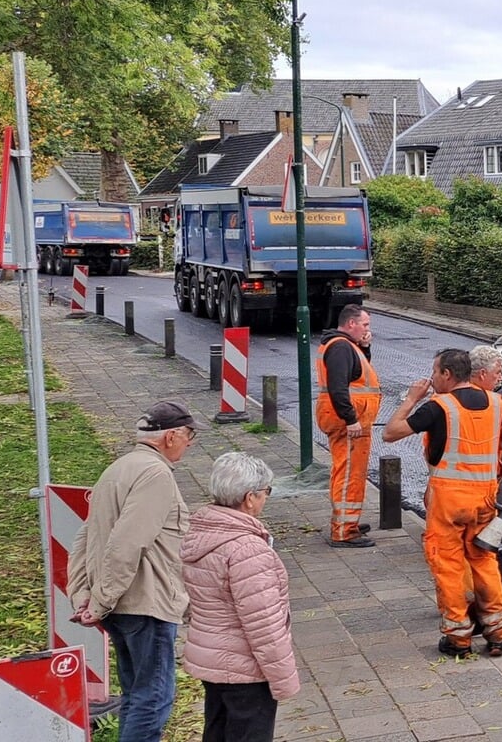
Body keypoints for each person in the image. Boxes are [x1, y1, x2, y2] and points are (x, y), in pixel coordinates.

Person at [383, 348, 502, 657]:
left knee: (449, 565)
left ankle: (459, 637)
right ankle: (497, 632)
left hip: (448, 501)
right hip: (484, 500)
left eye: (434, 373)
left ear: (447, 375)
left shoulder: (438, 406)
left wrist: (412, 398)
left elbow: (390, 433)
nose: (431, 378)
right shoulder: (496, 403)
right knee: (484, 560)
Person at [67, 401, 195, 742]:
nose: (190, 443)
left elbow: (86, 537)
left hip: (121, 605)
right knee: (153, 699)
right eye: (189, 435)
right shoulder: (155, 475)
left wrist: (86, 595)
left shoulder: (118, 469)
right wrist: (99, 601)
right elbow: (127, 543)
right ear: (171, 436)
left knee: (136, 695)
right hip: (145, 603)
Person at [180, 452, 300, 742]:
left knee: (217, 731)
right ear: (249, 497)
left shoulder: (202, 533)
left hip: (212, 662)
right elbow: (265, 625)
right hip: (246, 669)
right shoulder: (247, 549)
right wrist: (284, 679)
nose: (265, 499)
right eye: (265, 492)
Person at [315, 305, 378, 547]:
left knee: (349, 470)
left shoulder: (345, 346)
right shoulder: (341, 347)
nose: (367, 329)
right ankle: (343, 530)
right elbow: (338, 387)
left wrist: (365, 348)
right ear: (351, 324)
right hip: (348, 420)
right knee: (349, 473)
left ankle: (348, 521)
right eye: (365, 325)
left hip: (349, 418)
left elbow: (358, 375)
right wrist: (350, 419)